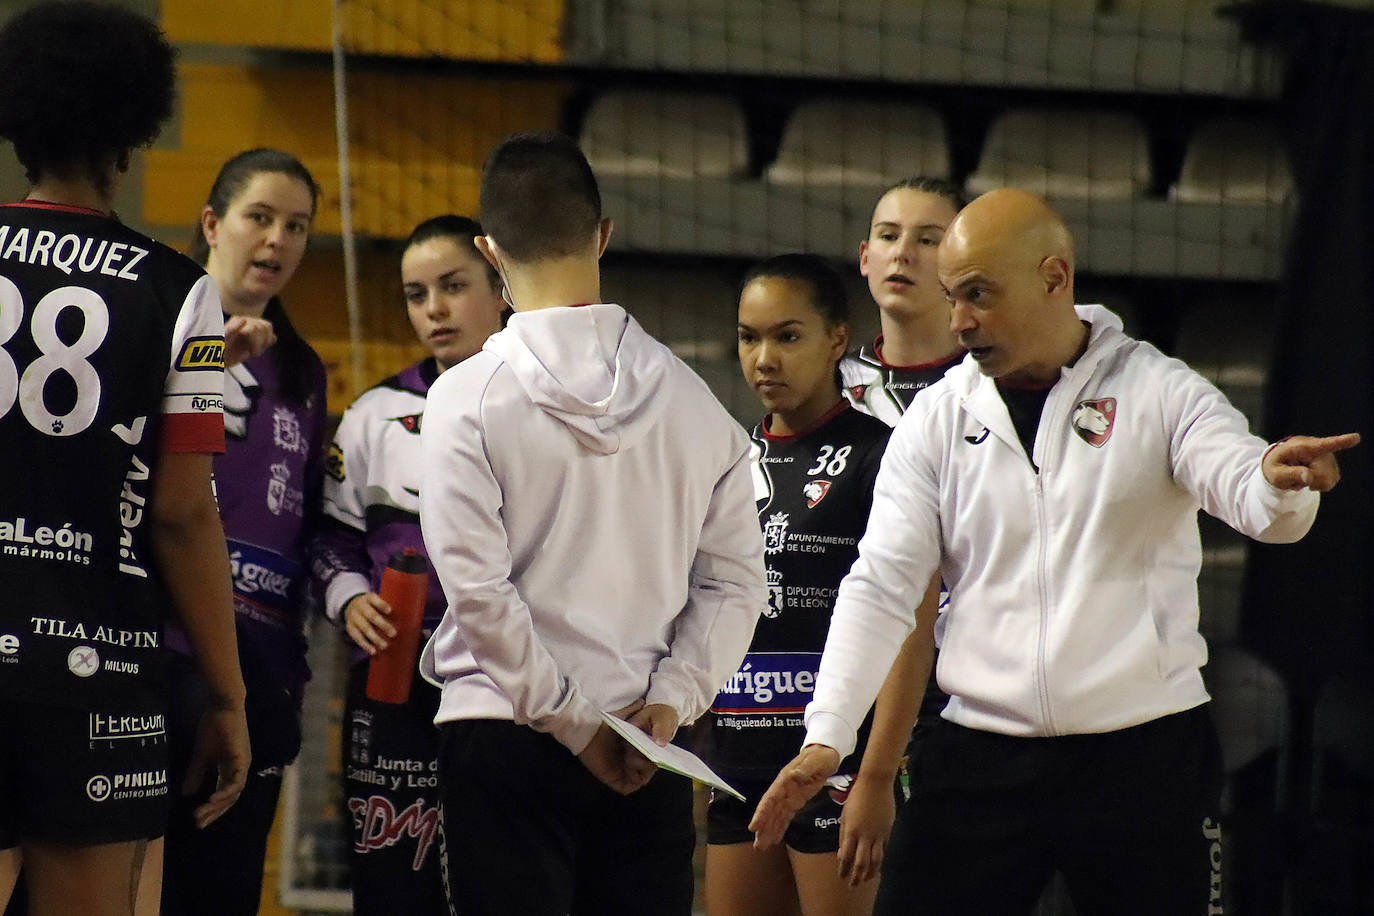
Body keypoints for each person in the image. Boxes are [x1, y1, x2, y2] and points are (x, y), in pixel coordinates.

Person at [752, 188, 1361, 914]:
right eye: (952, 298)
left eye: (979, 294)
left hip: (1143, 759)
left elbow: (1255, 498)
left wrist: (1278, 482)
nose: (960, 321)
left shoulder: (1158, 390)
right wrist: (828, 734)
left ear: (1053, 278)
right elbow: (880, 585)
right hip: (977, 757)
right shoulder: (940, 418)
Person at [417, 130, 766, 916]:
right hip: (646, 741)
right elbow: (738, 582)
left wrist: (575, 725)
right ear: (603, 235)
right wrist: (674, 697)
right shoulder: (698, 405)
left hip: (505, 731)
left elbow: (478, 595)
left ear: (489, 251)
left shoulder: (464, 398)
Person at [0, 4, 249, 915]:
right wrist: (227, 696)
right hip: (92, 664)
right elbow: (183, 511)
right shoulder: (186, 297)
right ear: (133, 134)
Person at [314, 215, 506, 913]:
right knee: (395, 888)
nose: (435, 309)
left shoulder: (544, 406)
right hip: (391, 683)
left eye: (454, 287)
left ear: (501, 285)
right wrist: (348, 597)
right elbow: (330, 539)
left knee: (503, 884)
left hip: (507, 685)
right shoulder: (374, 414)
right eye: (417, 293)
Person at [160, 149, 327, 916]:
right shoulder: (158, 324)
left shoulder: (303, 371)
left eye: (296, 226)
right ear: (211, 224)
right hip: (159, 656)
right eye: (260, 217)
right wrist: (205, 365)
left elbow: (300, 526)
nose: (279, 239)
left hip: (257, 673)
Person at [704, 253, 894, 915]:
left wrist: (877, 773)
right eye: (749, 337)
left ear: (837, 339)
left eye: (787, 336)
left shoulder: (882, 455)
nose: (764, 358)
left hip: (837, 759)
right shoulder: (726, 460)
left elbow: (906, 620)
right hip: (735, 758)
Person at [832, 177, 967, 887]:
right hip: (838, 689)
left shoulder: (996, 388)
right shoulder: (819, 386)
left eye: (928, 238)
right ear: (862, 256)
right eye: (888, 235)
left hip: (962, 699)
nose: (903, 253)